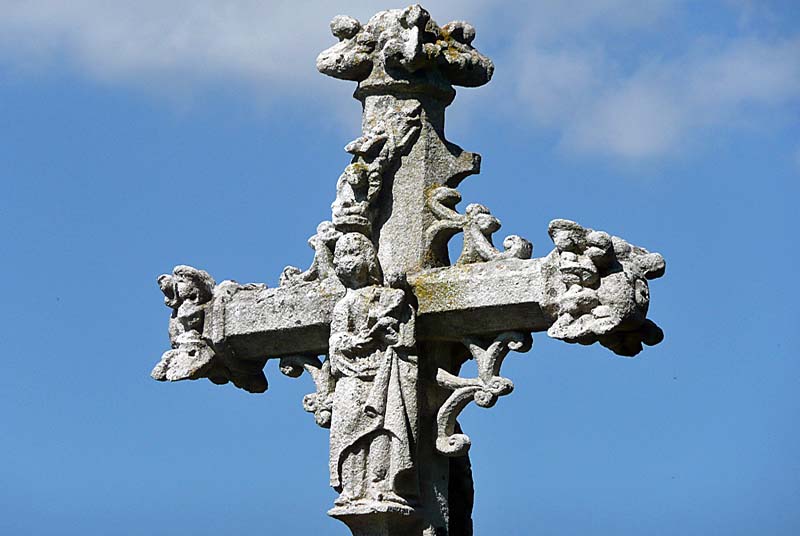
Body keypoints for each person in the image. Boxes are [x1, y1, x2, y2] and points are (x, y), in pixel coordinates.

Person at [328, 232, 418, 512]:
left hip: (385, 374)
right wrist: (363, 338)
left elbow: (404, 335)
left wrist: (399, 300)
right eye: (341, 255)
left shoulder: (386, 297)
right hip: (352, 380)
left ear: (369, 259)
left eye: (353, 253)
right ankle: (354, 489)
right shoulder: (344, 305)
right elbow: (337, 344)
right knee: (351, 436)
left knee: (383, 429)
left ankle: (383, 485)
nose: (346, 261)